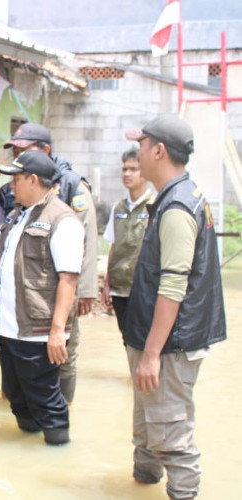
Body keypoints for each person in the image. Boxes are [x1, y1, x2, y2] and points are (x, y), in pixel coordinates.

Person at [0, 150, 84, 445]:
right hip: (9, 330)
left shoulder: (63, 220)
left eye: (16, 179)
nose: (10, 186)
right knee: (18, 400)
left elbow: (69, 279)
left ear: (34, 180)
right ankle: (28, 451)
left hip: (37, 333)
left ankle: (57, 455)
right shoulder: (15, 216)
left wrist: (58, 331)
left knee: (48, 405)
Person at [124, 115, 226, 499]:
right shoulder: (174, 197)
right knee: (148, 435)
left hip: (169, 347)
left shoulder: (178, 206)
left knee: (172, 440)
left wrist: (151, 354)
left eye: (141, 145)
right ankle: (142, 486)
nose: (137, 153)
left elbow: (173, 285)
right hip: (156, 341)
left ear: (158, 151)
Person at [1, 122, 98, 404]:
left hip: (60, 287)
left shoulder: (71, 186)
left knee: (64, 352)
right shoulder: (18, 183)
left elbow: (88, 239)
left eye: (24, 150)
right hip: (27, 292)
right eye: (15, 151)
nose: (16, 158)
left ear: (44, 150)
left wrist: (86, 290)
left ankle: (62, 408)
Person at [101, 147, 155, 337]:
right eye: (124, 169)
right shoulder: (118, 208)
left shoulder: (155, 206)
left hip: (144, 290)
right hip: (119, 291)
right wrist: (107, 285)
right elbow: (113, 247)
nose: (127, 174)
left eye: (133, 169)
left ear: (146, 172)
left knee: (143, 341)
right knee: (127, 340)